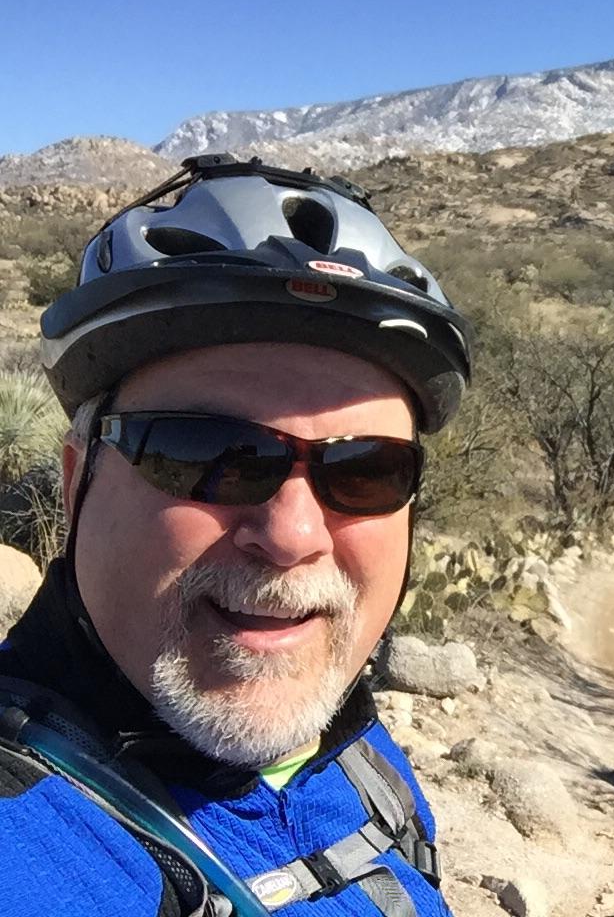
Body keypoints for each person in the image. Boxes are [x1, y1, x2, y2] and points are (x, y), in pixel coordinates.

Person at [0, 155, 473, 916]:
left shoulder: (356, 758)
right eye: (206, 456)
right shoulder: (23, 846)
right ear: (73, 481)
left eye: (366, 471)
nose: (291, 535)